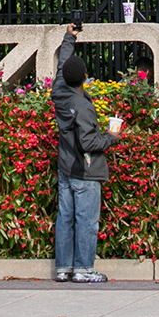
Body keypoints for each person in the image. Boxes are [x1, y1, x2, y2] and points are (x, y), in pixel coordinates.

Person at [46, 25, 124, 283]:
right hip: (85, 171)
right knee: (87, 222)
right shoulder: (83, 107)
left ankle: (63, 268)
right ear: (85, 77)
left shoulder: (59, 93)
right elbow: (90, 142)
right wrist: (111, 138)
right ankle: (83, 269)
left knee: (65, 219)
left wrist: (70, 37)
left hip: (66, 167)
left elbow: (62, 67)